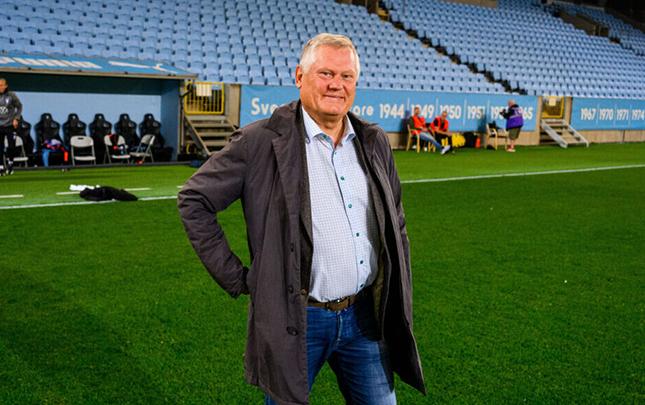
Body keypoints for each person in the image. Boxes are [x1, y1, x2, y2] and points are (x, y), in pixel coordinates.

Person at [178, 33, 425, 405]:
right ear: (299, 76)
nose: (336, 85)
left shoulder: (372, 141)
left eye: (346, 76)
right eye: (326, 73)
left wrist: (398, 272)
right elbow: (194, 200)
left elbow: (396, 218)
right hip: (298, 320)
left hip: (364, 318)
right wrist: (238, 277)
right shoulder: (259, 141)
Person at [0, 78, 23, 176]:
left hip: (10, 124)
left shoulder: (11, 95)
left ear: (6, 86)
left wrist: (16, 118)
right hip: (0, 125)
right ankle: (1, 166)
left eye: (2, 85)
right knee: (0, 147)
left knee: (11, 146)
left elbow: (19, 106)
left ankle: (10, 163)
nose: (0, 87)